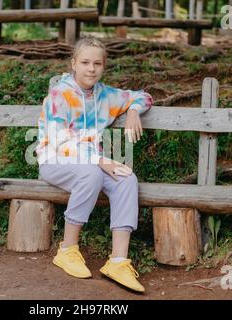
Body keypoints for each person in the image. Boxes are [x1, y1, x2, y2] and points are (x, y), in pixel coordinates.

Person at [35, 37, 153, 293]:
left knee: (126, 179)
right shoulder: (60, 94)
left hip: (92, 164)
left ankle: (118, 262)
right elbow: (58, 140)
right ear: (73, 64)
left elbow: (143, 96)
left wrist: (133, 110)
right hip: (56, 160)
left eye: (97, 63)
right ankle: (67, 250)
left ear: (103, 66)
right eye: (85, 62)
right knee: (91, 174)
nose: (91, 68)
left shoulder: (105, 95)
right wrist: (100, 161)